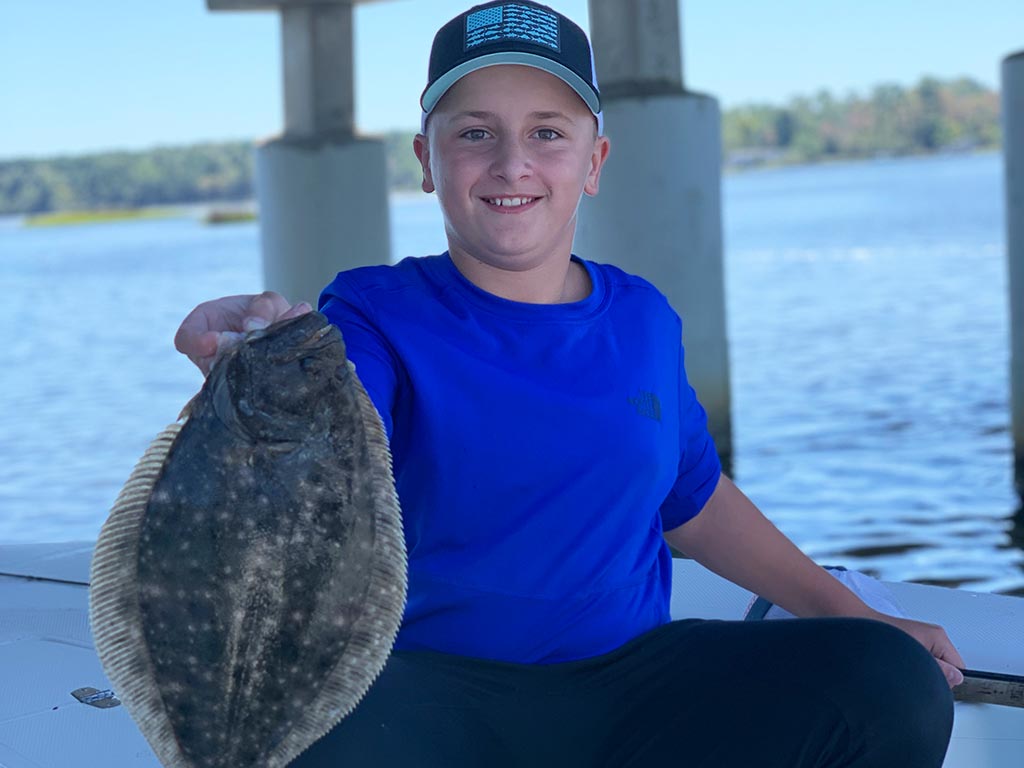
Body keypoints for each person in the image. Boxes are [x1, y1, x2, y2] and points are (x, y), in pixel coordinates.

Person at [176, 2, 964, 765]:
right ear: (427, 162)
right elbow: (325, 437)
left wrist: (854, 614)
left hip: (635, 690)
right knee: (303, 734)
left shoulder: (644, 319)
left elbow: (694, 500)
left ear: (593, 161)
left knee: (887, 684)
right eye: (475, 133)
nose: (511, 162)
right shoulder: (372, 312)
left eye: (547, 133)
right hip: (431, 699)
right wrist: (250, 368)